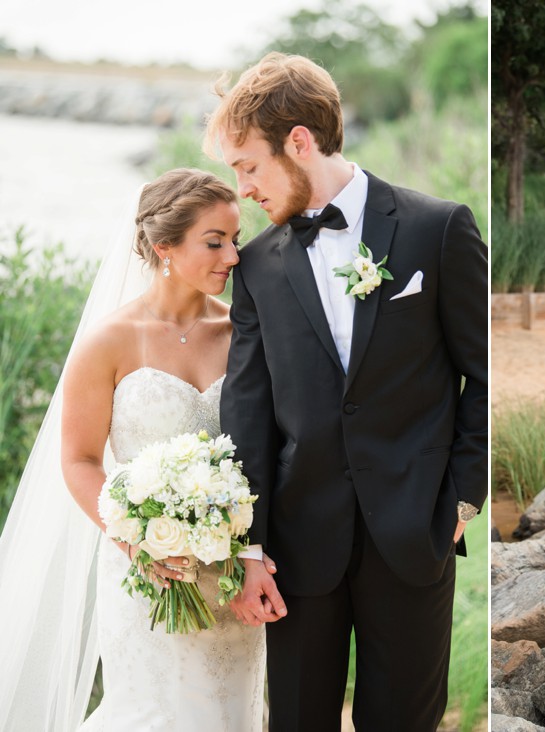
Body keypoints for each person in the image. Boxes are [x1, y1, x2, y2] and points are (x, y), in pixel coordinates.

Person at [204, 53, 488, 731]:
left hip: (415, 531)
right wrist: (248, 548)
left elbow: (482, 371)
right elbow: (246, 412)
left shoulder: (437, 228)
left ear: (298, 143)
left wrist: (466, 497)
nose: (242, 188)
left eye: (248, 166)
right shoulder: (260, 268)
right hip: (300, 546)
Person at [0, 169, 267, 731]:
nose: (234, 257)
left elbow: (268, 448)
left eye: (235, 240)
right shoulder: (109, 340)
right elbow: (78, 459)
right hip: (147, 574)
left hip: (231, 579)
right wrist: (137, 536)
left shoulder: (245, 334)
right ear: (162, 246)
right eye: (214, 242)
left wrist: (248, 549)